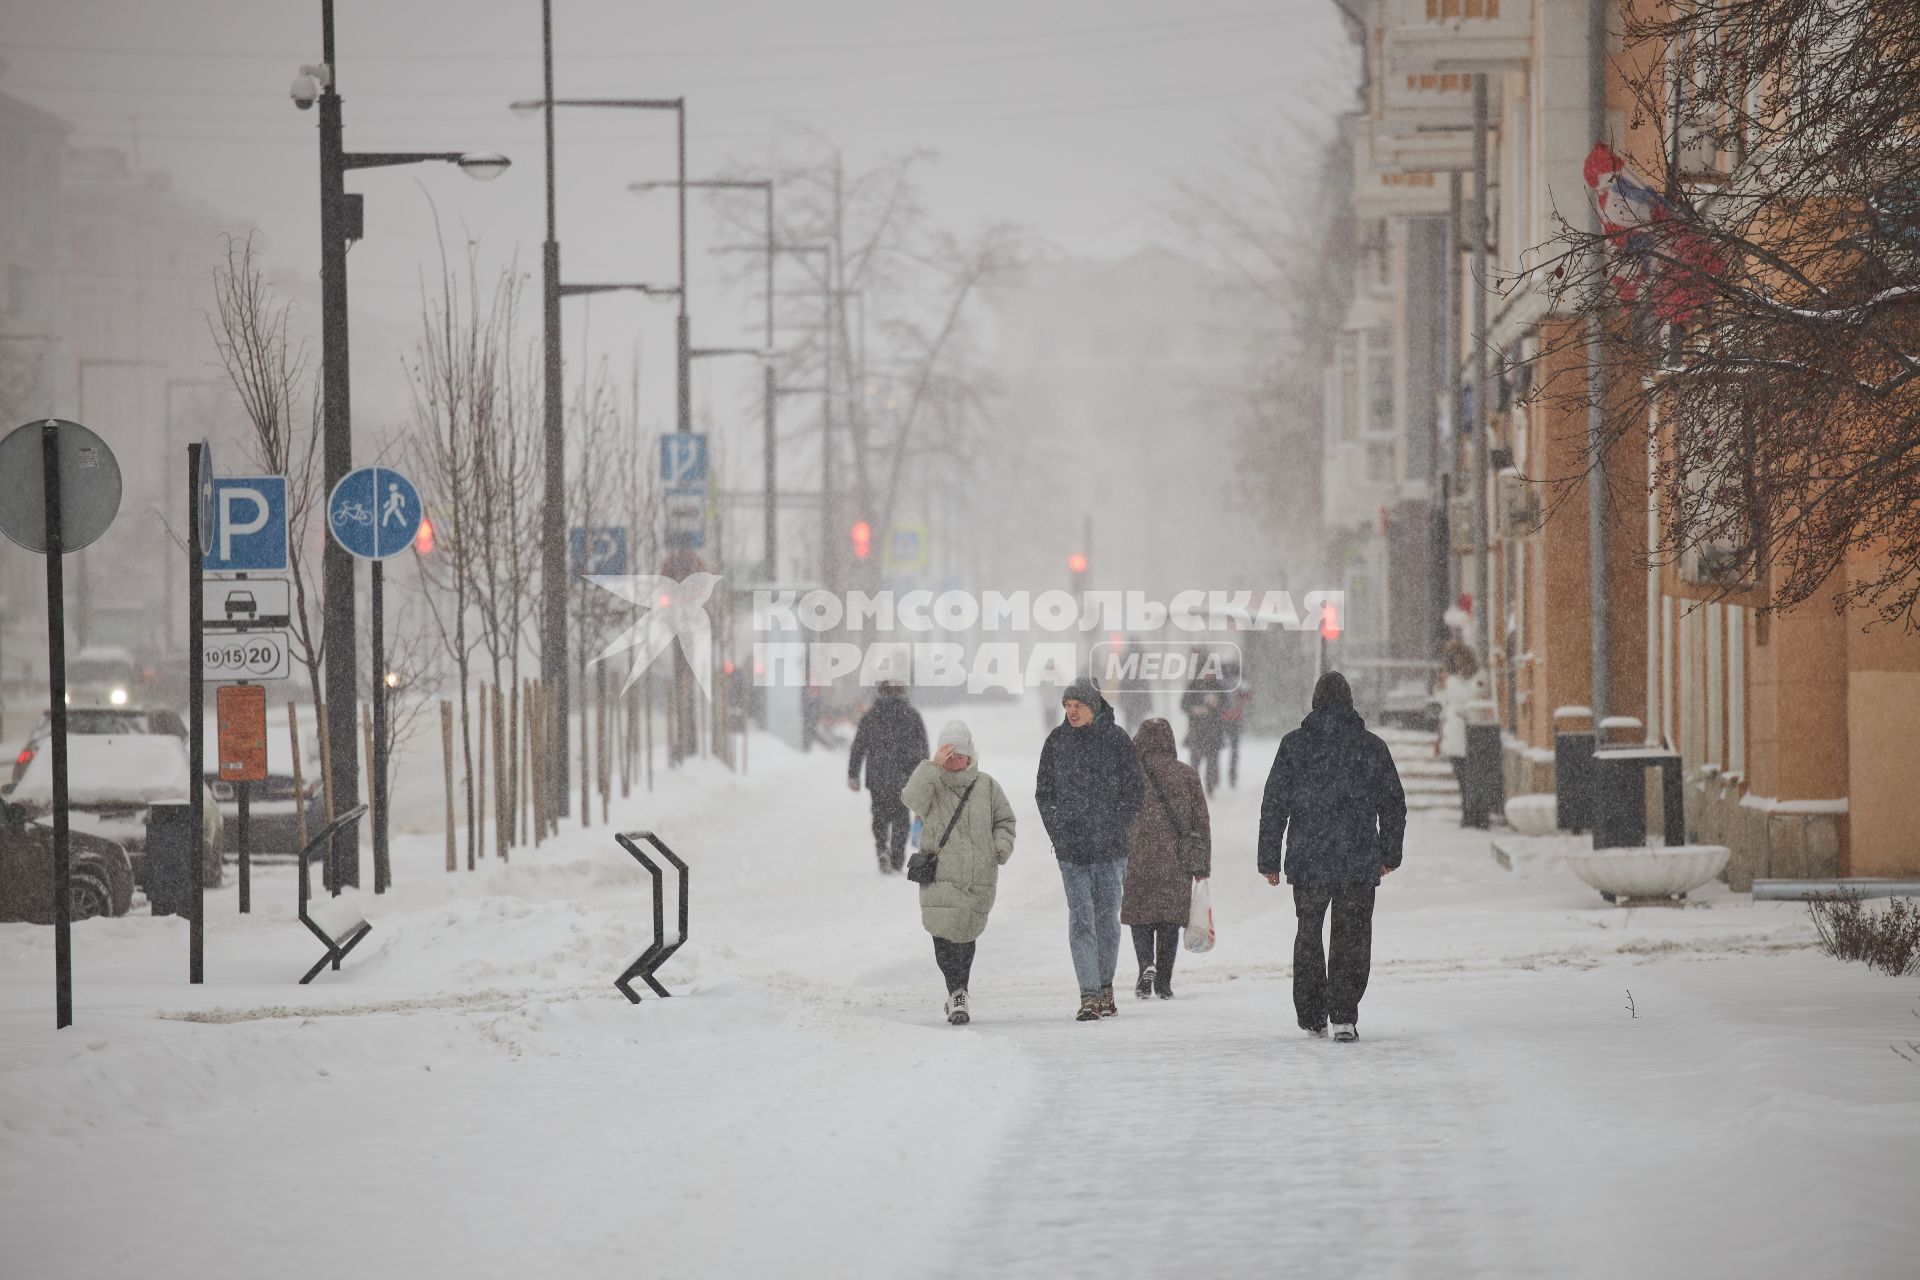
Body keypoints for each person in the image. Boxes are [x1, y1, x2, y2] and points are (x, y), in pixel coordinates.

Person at [1257, 671, 1407, 1042]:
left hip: (1309, 858)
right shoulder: (1371, 747)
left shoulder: (1294, 746)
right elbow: (1393, 805)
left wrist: (1269, 860)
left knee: (1308, 935)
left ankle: (1311, 1014)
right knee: (1352, 936)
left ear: (1314, 702)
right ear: (1351, 702)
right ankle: (1344, 1014)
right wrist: (1390, 853)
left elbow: (1273, 805)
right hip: (1357, 858)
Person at [1036, 677, 1143, 1021]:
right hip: (1071, 851)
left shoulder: (1116, 740)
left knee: (1106, 919)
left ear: (1093, 707)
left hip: (1110, 849)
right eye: (1067, 706)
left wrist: (1117, 825)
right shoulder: (1056, 743)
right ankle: (1088, 994)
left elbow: (1134, 791)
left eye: (1078, 705)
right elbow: (1044, 793)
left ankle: (1105, 985)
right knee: (1081, 919)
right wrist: (1059, 830)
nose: (1071, 712)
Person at [901, 720, 1016, 1025]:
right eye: (947, 755)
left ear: (970, 756)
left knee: (965, 936)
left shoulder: (987, 786)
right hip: (939, 874)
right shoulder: (932, 783)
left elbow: (1005, 821)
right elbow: (910, 799)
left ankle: (958, 991)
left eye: (959, 755)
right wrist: (930, 766)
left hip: (977, 876)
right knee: (942, 935)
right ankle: (956, 991)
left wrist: (998, 848)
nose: (953, 762)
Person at [1121, 717, 1211, 999]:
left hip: (1138, 857)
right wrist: (1202, 865)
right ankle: (1164, 982)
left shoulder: (1129, 776)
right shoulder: (1186, 774)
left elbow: (1118, 818)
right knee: (1169, 919)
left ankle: (1145, 964)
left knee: (1141, 916)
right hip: (1176, 859)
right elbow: (1201, 821)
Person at [847, 681, 929, 874]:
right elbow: (923, 749)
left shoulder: (871, 715)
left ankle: (882, 848)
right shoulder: (912, 716)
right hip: (904, 778)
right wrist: (925, 778)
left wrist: (853, 774)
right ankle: (897, 858)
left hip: (878, 777)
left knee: (879, 815)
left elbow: (858, 746)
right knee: (901, 818)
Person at [1434, 639, 1486, 827]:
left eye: (1460, 660)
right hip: (1454, 736)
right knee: (1462, 779)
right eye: (1454, 661)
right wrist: (1442, 685)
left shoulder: (1478, 676)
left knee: (1472, 779)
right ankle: (1468, 813)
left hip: (1471, 735)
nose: (1458, 664)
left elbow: (1468, 697)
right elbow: (1444, 698)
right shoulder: (1455, 680)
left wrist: (1451, 682)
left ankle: (1476, 815)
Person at [1181, 668, 1227, 796]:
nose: (1209, 675)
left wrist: (1217, 703)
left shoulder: (1218, 687)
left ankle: (1209, 786)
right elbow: (1183, 705)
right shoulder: (1193, 686)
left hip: (1213, 732)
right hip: (1196, 731)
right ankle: (1193, 788)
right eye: (1206, 671)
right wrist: (1194, 710)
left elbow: (1226, 705)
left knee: (1212, 762)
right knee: (1195, 762)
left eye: (1211, 672)